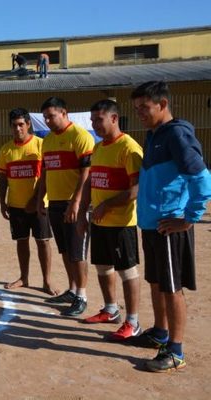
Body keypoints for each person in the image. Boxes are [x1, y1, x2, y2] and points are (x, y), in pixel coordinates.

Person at [131, 81, 211, 372]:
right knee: (157, 283)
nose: (139, 113)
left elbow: (202, 180)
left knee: (172, 288)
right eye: (136, 108)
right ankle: (160, 333)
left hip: (169, 226)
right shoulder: (154, 135)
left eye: (145, 108)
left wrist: (189, 218)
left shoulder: (177, 134)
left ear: (162, 104)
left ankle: (175, 351)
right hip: (152, 225)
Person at [78, 99, 143, 342]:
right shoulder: (99, 147)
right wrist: (84, 212)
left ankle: (133, 322)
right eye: (92, 120)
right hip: (99, 221)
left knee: (127, 271)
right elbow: (91, 182)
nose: (94, 125)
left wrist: (106, 205)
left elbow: (136, 189)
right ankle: (110, 309)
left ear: (114, 118)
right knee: (103, 267)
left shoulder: (129, 147)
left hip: (121, 223)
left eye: (99, 120)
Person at [37, 97, 94, 316]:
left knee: (77, 252)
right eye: (45, 117)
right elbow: (45, 173)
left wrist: (77, 201)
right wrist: (41, 198)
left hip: (75, 204)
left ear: (64, 113)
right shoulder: (48, 140)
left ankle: (82, 295)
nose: (48, 121)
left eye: (51, 116)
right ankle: (72, 289)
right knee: (65, 249)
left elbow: (86, 173)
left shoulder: (80, 136)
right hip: (55, 204)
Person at [0, 108, 58, 295]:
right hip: (16, 206)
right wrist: (2, 202)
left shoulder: (41, 145)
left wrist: (36, 200)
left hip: (40, 205)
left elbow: (46, 176)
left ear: (29, 124)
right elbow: (3, 178)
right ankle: (24, 277)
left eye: (21, 124)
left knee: (43, 241)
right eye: (14, 125)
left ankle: (47, 281)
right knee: (21, 241)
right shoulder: (6, 149)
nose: (18, 129)